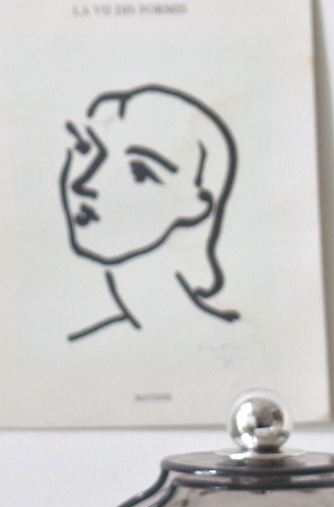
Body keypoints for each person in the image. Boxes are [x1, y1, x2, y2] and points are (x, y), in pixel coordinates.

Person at [60, 84, 239, 341]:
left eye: (139, 172)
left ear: (197, 206)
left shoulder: (207, 340)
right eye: (85, 148)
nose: (83, 182)